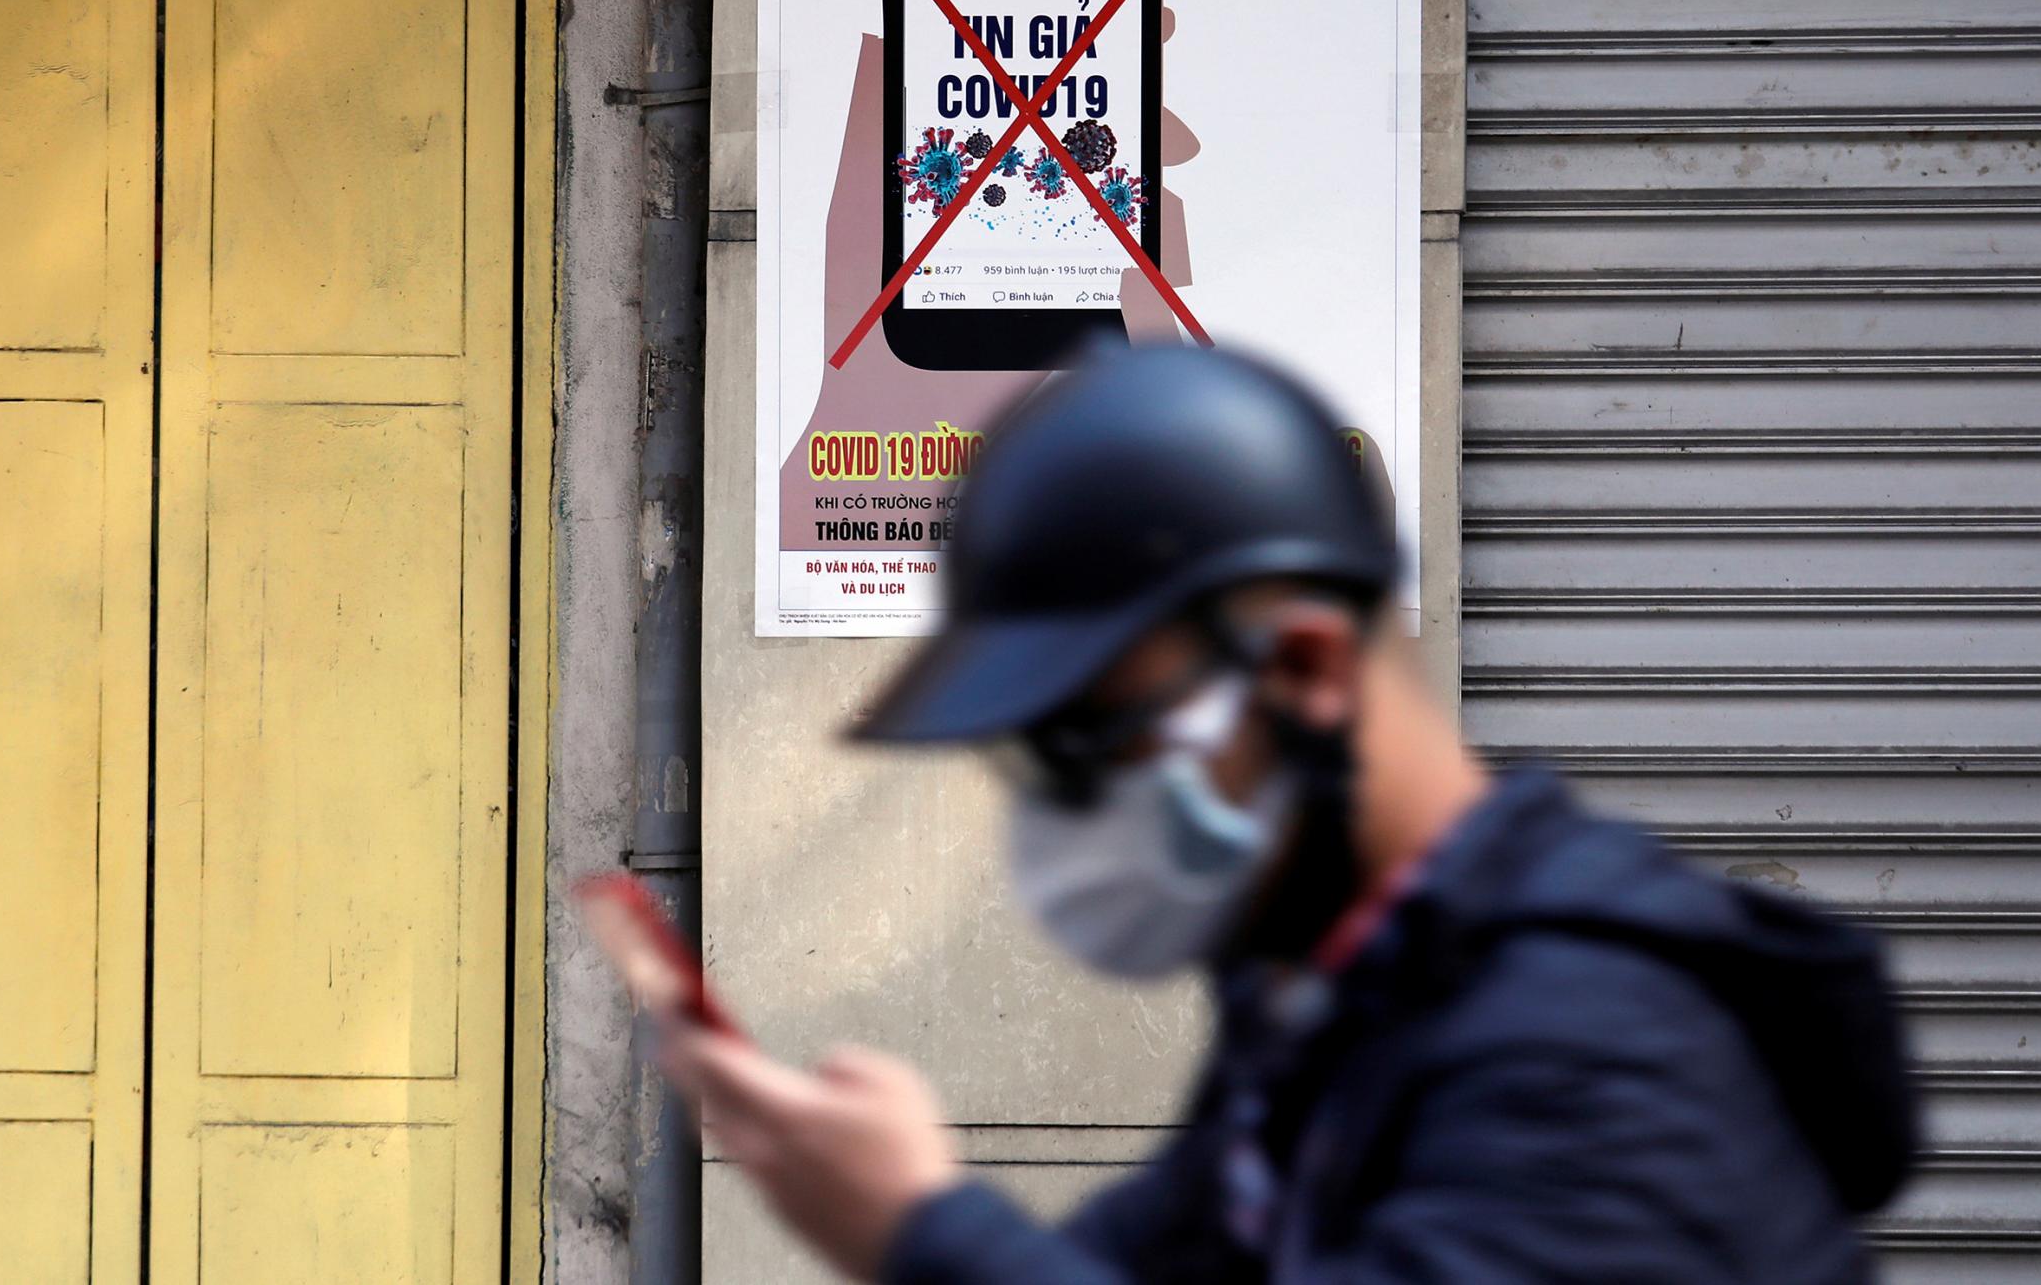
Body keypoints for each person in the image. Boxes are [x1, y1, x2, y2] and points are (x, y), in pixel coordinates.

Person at [660, 345, 1918, 1282]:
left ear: (1306, 671)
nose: (1066, 809)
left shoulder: (1587, 1049)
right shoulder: (1332, 990)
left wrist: (919, 1228)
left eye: (1095, 737)